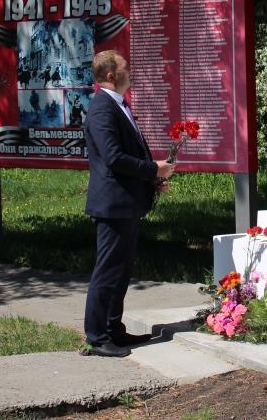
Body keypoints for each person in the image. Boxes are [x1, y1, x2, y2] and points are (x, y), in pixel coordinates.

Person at [81, 50, 176, 357]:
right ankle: (97, 337)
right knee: (108, 271)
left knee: (120, 271)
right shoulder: (102, 109)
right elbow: (113, 158)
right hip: (113, 204)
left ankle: (114, 330)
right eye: (125, 68)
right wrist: (153, 169)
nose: (129, 72)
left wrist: (151, 180)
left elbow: (126, 152)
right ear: (111, 75)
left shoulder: (117, 105)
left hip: (127, 202)